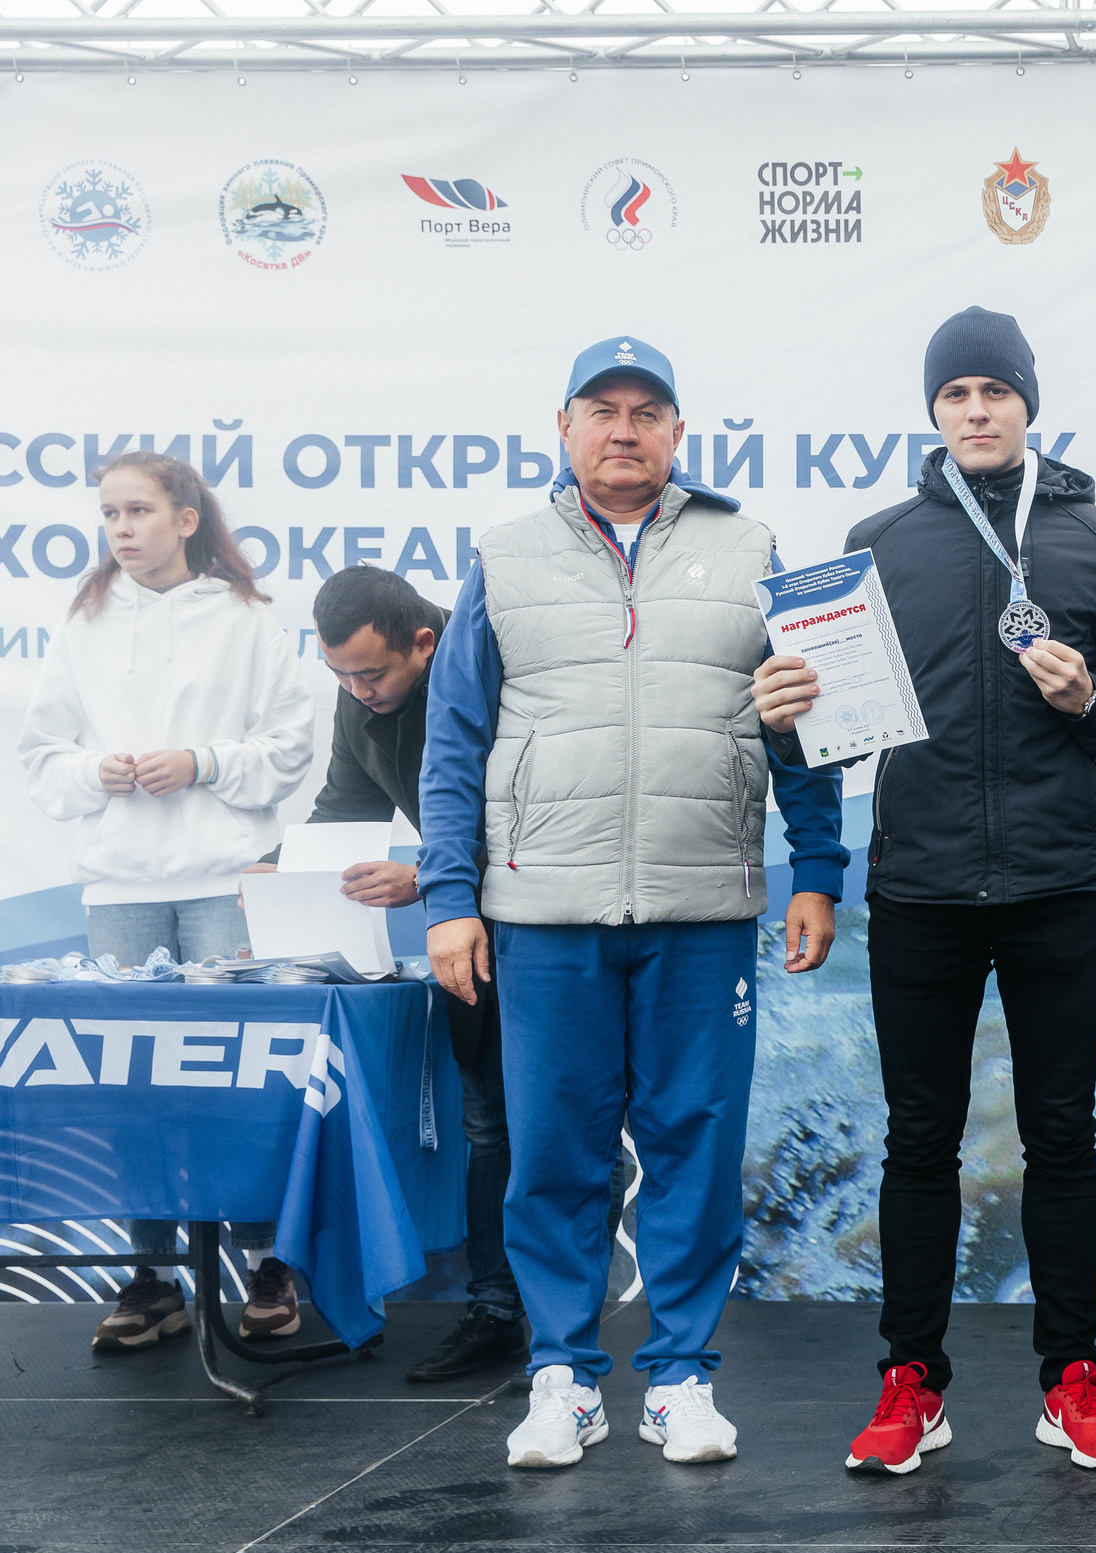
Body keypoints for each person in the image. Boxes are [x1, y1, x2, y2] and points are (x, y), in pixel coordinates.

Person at [419, 335, 848, 1469]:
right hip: (542, 910)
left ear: (678, 433)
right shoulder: (504, 557)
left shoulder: (750, 549)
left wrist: (817, 868)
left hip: (702, 906)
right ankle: (562, 1376)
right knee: (553, 1152)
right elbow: (454, 740)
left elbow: (800, 722)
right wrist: (449, 896)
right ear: (562, 429)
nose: (624, 430)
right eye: (601, 410)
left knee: (694, 1145)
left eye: (646, 412)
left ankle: (681, 1378)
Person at [821, 307, 1096, 1478]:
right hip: (919, 885)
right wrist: (785, 714)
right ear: (934, 411)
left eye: (995, 391)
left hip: (1058, 881)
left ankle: (1071, 1378)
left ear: (1027, 404)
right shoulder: (875, 542)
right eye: (956, 394)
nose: (976, 410)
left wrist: (1090, 702)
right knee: (918, 1142)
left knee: (1061, 1136)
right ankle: (910, 1382)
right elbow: (830, 726)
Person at [18, 450, 315, 1351]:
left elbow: (291, 746)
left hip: (224, 882)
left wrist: (202, 762)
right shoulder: (85, 623)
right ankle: (151, 1279)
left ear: (187, 518)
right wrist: (94, 772)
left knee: (244, 1084)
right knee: (133, 1092)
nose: (121, 528)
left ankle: (266, 1264)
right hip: (121, 890)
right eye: (109, 513)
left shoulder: (246, 618)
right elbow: (41, 757)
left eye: (138, 510)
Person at [298, 566, 534, 1382]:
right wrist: (287, 868)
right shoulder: (360, 691)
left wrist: (433, 875)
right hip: (465, 937)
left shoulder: (497, 665)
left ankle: (570, 1317)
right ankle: (496, 1309)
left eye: (371, 673)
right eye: (340, 675)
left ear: (425, 643)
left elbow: (548, 813)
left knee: (570, 1125)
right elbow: (343, 809)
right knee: (487, 1125)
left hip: (551, 924)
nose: (357, 691)